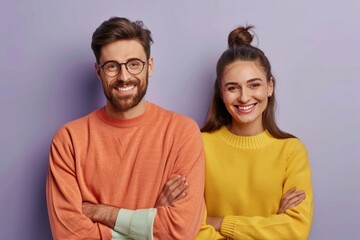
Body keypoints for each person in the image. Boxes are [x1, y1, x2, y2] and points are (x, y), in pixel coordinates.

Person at [46, 17, 205, 240]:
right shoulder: (69, 140)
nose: (124, 77)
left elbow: (180, 230)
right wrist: (148, 222)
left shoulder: (182, 132)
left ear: (149, 67)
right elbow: (69, 235)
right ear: (98, 71)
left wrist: (102, 212)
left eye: (134, 64)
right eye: (112, 66)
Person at [192, 25, 313, 239]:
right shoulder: (199, 145)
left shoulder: (291, 151)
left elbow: (295, 231)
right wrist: (271, 225)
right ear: (221, 92)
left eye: (253, 85)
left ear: (270, 86)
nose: (244, 97)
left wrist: (219, 222)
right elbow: (191, 225)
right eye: (232, 88)